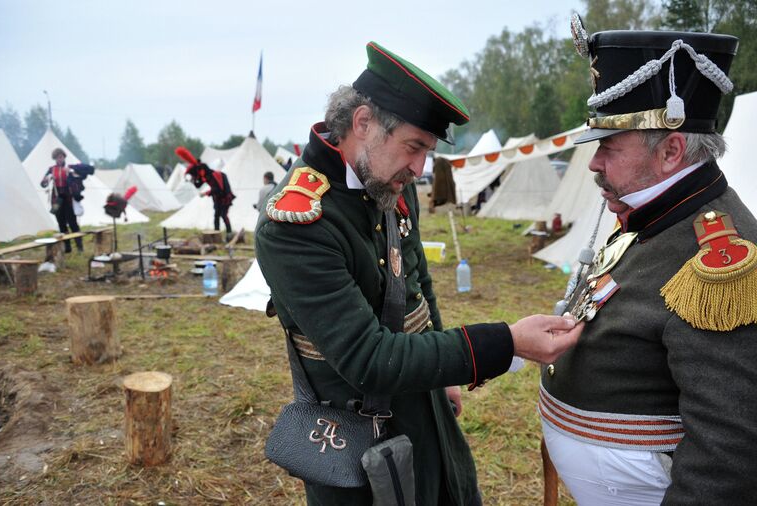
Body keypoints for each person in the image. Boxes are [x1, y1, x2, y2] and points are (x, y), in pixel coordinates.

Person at [255, 41, 584, 506]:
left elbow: (416, 287)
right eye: (413, 147)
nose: (419, 168)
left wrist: (444, 375)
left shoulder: (386, 182)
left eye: (427, 151)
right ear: (363, 122)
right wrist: (504, 342)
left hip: (424, 400)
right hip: (355, 438)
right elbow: (367, 359)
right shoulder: (296, 223)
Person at [540, 19, 757, 505]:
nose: (594, 164)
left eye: (608, 147)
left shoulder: (722, 260)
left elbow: (731, 449)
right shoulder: (655, 213)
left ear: (672, 151)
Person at [40, 147, 83, 253]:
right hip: (56, 200)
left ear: (64, 157)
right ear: (54, 159)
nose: (59, 159)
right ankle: (67, 247)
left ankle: (79, 247)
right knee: (61, 223)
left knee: (72, 223)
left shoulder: (69, 168)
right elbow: (43, 184)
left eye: (61, 157)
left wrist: (72, 175)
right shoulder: (51, 169)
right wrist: (46, 180)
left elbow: (78, 181)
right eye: (57, 157)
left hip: (68, 198)